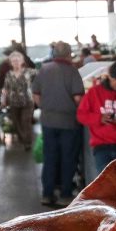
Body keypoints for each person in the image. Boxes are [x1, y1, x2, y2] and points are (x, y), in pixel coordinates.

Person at [32, 41, 84, 207]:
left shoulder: (44, 69)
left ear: (54, 54)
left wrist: (45, 107)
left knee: (50, 157)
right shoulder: (72, 71)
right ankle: (65, 194)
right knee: (68, 158)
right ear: (69, 55)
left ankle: (47, 194)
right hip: (68, 122)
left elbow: (36, 94)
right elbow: (78, 98)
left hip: (48, 121)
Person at [0, 50, 36, 151]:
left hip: (27, 101)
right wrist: (2, 101)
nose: (15, 62)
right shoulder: (9, 74)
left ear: (22, 61)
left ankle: (27, 142)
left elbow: (41, 78)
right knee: (16, 123)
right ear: (10, 63)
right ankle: (22, 139)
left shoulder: (29, 72)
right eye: (13, 61)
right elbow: (5, 89)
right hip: (13, 102)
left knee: (26, 121)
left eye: (17, 60)